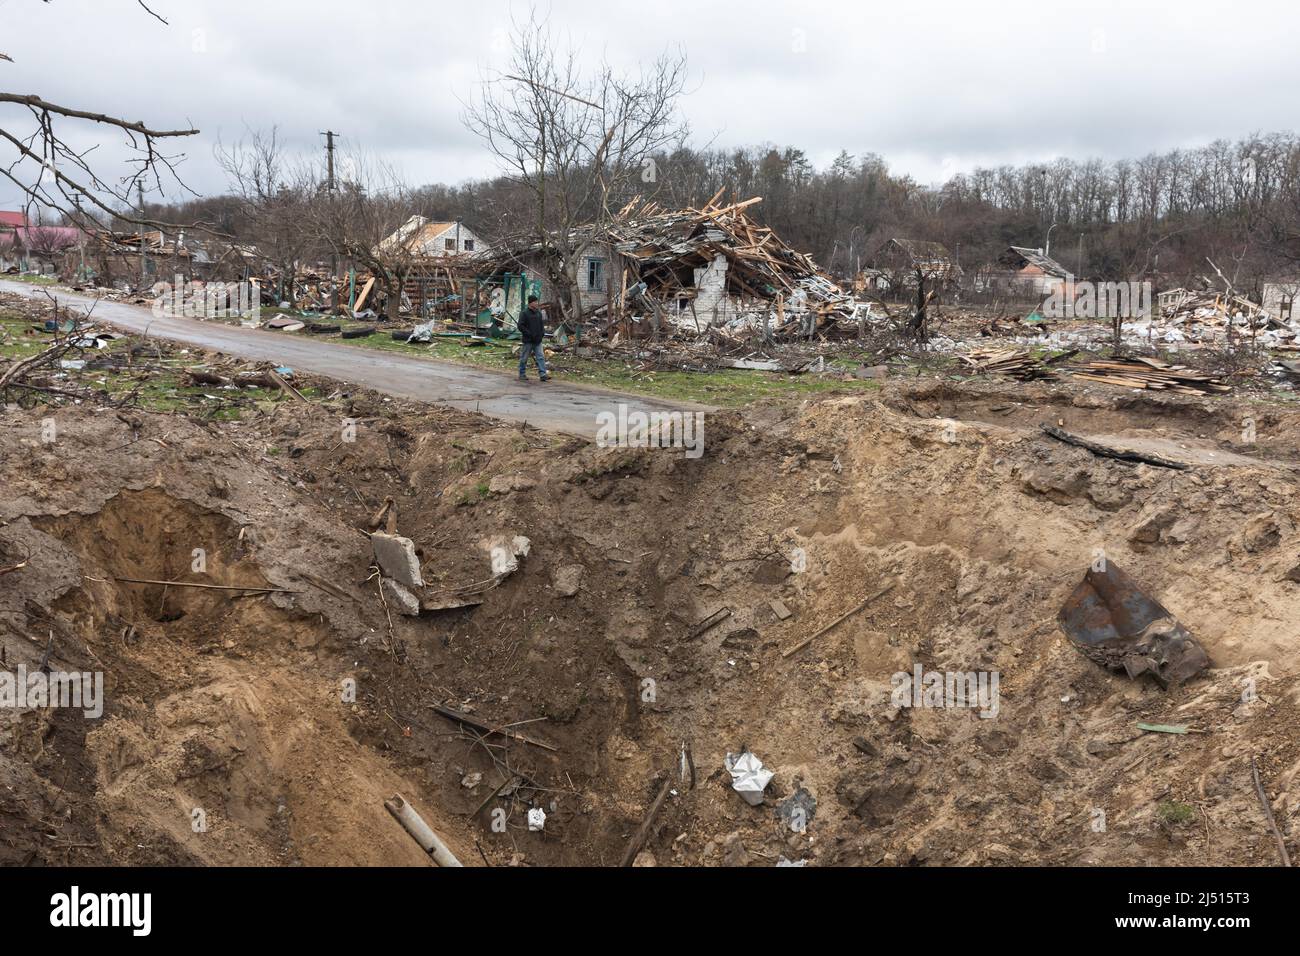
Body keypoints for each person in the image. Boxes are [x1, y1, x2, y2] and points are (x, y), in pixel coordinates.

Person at [517, 295, 549, 382]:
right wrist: (529, 334)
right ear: (530, 303)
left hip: (538, 340)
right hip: (528, 340)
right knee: (524, 358)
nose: (536, 303)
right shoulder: (524, 313)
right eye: (535, 302)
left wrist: (542, 333)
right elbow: (520, 326)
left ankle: (543, 374)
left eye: (537, 301)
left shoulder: (538, 313)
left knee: (541, 357)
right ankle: (522, 374)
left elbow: (541, 325)